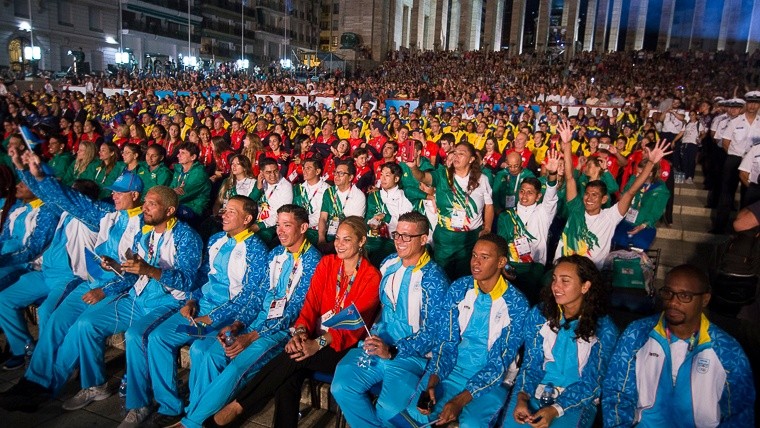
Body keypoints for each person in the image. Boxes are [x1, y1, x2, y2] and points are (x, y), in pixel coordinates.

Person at [210, 216, 381, 428]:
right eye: (337, 238)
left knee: (293, 357)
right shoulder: (327, 263)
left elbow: (353, 327)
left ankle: (239, 406)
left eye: (347, 240)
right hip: (315, 334)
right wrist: (300, 333)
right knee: (288, 376)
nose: (339, 244)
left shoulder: (371, 276)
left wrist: (314, 344)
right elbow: (310, 304)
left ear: (362, 241)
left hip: (343, 345)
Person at [0, 168, 145, 412]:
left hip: (115, 291)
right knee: (55, 320)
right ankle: (32, 381)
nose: (114, 196)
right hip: (91, 283)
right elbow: (62, 200)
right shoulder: (110, 216)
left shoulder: (139, 223)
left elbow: (138, 272)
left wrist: (104, 290)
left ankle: (45, 387)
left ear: (134, 194)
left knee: (77, 330)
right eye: (113, 192)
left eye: (119, 192)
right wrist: (27, 169)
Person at [173, 205, 321, 428]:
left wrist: (251, 336)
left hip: (280, 332)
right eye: (278, 225)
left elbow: (294, 311)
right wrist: (237, 324)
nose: (280, 231)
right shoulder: (276, 254)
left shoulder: (313, 261)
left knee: (236, 369)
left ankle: (190, 423)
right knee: (203, 350)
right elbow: (256, 296)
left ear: (303, 228)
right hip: (254, 323)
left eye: (287, 225)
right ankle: (198, 414)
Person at [136, 196, 268, 427]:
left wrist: (212, 317)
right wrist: (191, 299)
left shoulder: (256, 249)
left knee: (201, 350)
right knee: (158, 338)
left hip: (227, 315)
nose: (224, 214)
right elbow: (202, 276)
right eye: (224, 209)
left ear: (247, 219)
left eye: (231, 212)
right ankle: (169, 406)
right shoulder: (216, 239)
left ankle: (196, 413)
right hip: (202, 308)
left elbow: (249, 297)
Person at [331, 211, 450, 426]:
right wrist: (374, 334)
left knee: (389, 409)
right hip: (379, 345)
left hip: (412, 356)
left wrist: (393, 351)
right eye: (397, 234)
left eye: (407, 236)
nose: (399, 241)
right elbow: (382, 307)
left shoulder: (434, 278)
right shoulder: (387, 263)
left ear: (424, 239)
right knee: (341, 385)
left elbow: (434, 332)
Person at [602, 264, 755, 427]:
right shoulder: (637, 334)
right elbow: (616, 393)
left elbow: (741, 414)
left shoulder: (727, 350)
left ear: (705, 299)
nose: (673, 302)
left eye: (685, 296)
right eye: (668, 293)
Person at [402, 234, 528, 427]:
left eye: (485, 257)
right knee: (418, 412)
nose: (476, 263)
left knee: (470, 424)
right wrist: (433, 383)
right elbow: (446, 342)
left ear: (501, 262)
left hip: (492, 379)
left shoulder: (516, 304)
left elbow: (498, 364)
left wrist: (458, 402)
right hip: (452, 368)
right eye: (474, 255)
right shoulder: (460, 288)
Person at [0, 155, 99, 369]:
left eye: (71, 194)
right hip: (44, 273)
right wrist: (23, 168)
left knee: (46, 312)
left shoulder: (89, 219)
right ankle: (24, 349)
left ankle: (48, 366)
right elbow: (52, 197)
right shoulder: (58, 212)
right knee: (4, 299)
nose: (64, 198)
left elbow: (55, 198)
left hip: (67, 277)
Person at [503, 255, 619, 428]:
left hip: (577, 400)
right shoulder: (540, 314)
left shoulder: (604, 328)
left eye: (565, 281)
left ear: (585, 286)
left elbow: (592, 382)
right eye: (555, 279)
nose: (556, 286)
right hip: (533, 390)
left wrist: (555, 409)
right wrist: (522, 398)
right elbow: (531, 365)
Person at [555, 122, 671, 269]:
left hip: (590, 274)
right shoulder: (575, 207)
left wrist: (650, 164)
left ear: (604, 199)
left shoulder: (610, 217)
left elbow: (630, 192)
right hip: (563, 267)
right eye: (587, 194)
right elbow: (570, 177)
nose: (589, 198)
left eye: (595, 195)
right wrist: (567, 143)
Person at [405, 141, 494, 279]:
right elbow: (422, 177)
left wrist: (487, 228)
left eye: (461, 153)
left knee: (465, 278)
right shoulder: (442, 175)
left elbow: (489, 205)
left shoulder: (482, 179)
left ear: (471, 159)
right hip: (445, 238)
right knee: (441, 277)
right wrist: (413, 167)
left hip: (469, 239)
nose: (456, 156)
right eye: (455, 153)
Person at [496, 151, 560, 304]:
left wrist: (552, 173)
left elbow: (551, 195)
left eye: (530, 193)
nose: (524, 196)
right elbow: (501, 246)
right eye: (522, 191)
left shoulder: (543, 213)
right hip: (510, 267)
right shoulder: (506, 216)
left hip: (534, 268)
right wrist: (504, 266)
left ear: (538, 197)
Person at [364, 162, 415, 267]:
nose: (382, 178)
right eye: (381, 174)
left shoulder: (403, 196)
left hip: (392, 240)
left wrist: (386, 217)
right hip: (372, 237)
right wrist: (371, 222)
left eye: (387, 175)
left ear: (396, 179)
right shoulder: (374, 195)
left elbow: (405, 224)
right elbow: (368, 216)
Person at [612, 159, 670, 250]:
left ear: (649, 173)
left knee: (637, 246)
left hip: (643, 224)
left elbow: (655, 212)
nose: (637, 175)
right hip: (626, 220)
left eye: (640, 173)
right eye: (637, 172)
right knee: (616, 242)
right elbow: (624, 194)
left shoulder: (661, 190)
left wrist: (643, 225)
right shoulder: (633, 180)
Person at [317, 160, 367, 251]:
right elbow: (323, 218)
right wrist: (321, 239)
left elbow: (354, 227)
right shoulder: (329, 192)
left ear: (351, 177)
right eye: (335, 172)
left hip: (347, 239)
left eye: (341, 173)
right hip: (329, 234)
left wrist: (332, 244)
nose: (336, 176)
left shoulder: (358, 196)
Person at [250, 157, 293, 248]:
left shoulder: (286, 186)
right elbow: (249, 203)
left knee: (256, 242)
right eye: (268, 172)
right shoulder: (260, 182)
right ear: (261, 173)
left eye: (275, 171)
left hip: (271, 226)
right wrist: (258, 188)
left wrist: (259, 226)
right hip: (255, 220)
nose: (273, 175)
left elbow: (281, 214)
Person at [170, 142, 211, 222]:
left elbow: (184, 194)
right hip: (176, 204)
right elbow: (171, 188)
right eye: (179, 152)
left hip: (194, 209)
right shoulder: (178, 169)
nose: (178, 155)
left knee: (165, 211)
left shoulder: (199, 174)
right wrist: (172, 191)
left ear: (193, 157)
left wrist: (170, 193)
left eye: (183, 153)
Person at [292, 157, 329, 245]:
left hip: (315, 230)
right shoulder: (300, 188)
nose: (304, 171)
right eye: (303, 168)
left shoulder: (326, 190)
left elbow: (320, 216)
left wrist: (298, 223)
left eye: (308, 168)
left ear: (317, 171)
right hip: (299, 226)